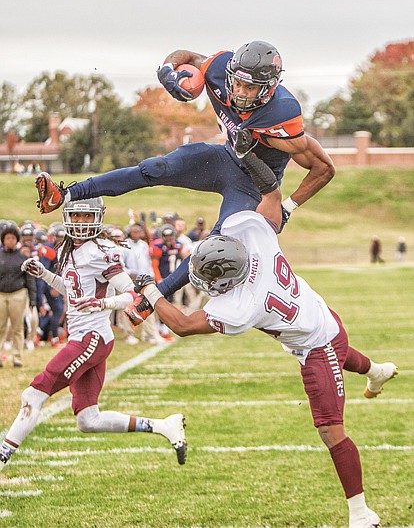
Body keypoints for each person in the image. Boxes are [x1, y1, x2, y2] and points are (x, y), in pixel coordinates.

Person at [125, 209, 397, 528]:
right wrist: (251, 159)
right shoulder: (256, 239)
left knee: (330, 428)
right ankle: (375, 371)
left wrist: (150, 290)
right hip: (319, 313)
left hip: (316, 342)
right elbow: (271, 195)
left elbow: (182, 325)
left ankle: (361, 513)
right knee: (340, 351)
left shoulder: (240, 306)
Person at [34, 40, 335, 303]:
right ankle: (65, 194)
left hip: (253, 184)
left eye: (249, 87)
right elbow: (188, 56)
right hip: (223, 158)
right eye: (237, 83)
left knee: (218, 245)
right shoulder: (220, 68)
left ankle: (153, 297)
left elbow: (324, 168)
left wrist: (288, 206)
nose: (240, 92)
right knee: (155, 167)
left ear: (269, 88)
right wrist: (167, 69)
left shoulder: (283, 116)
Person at [0, 197, 186, 473]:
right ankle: (164, 426)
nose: (80, 223)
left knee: (34, 394)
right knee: (88, 420)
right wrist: (45, 276)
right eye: (76, 217)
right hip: (87, 337)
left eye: (87, 217)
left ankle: (3, 456)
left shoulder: (102, 251)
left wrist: (103, 303)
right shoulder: (70, 249)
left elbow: (129, 294)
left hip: (91, 336)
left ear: (98, 219)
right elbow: (74, 291)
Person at [0, 224, 37, 367]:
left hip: (18, 293)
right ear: (3, 240)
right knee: (1, 327)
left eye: (12, 238)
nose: (10, 241)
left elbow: (30, 280)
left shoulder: (22, 258)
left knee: (17, 327)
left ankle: (17, 357)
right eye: (7, 238)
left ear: (17, 240)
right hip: (1, 294)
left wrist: (33, 299)